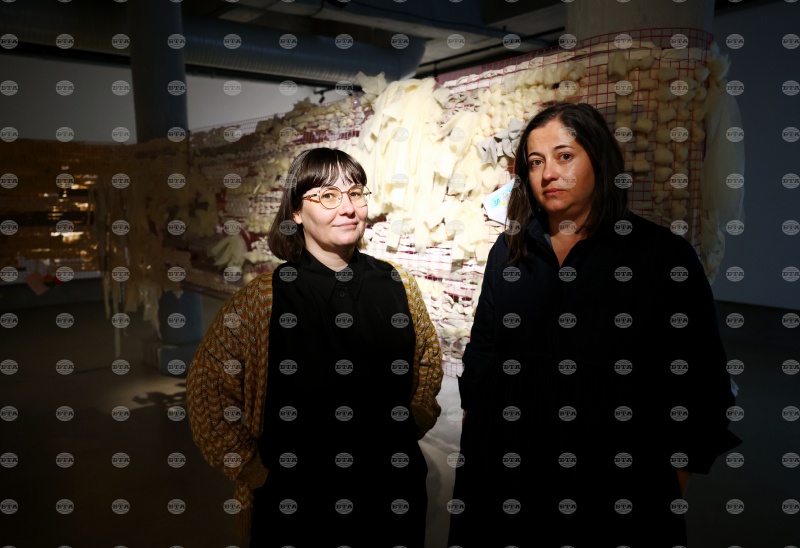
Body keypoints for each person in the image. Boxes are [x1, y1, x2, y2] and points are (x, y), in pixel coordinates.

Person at [447, 102, 742, 547]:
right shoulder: (508, 253)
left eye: (565, 156)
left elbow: (701, 382)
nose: (548, 173)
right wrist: (476, 428)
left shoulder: (661, 258)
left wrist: (668, 484)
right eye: (535, 162)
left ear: (599, 159)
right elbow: (483, 351)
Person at [186, 147, 444, 548]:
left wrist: (413, 420)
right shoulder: (263, 301)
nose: (348, 208)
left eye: (355, 193)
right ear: (296, 211)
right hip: (298, 503)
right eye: (327, 195)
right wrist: (252, 470)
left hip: (391, 492)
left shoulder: (399, 285)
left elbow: (426, 360)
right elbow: (208, 388)